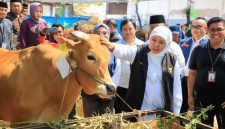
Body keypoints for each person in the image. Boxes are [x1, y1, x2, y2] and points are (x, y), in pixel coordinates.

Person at [101, 26, 182, 120]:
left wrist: (176, 114)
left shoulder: (171, 60)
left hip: (160, 113)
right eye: (154, 40)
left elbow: (176, 89)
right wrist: (113, 46)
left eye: (161, 42)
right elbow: (125, 50)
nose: (156, 44)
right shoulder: (138, 51)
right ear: (149, 38)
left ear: (167, 44)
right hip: (137, 110)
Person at [188, 17, 225, 129]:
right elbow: (192, 74)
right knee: (201, 127)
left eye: (219, 29)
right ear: (207, 31)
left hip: (223, 100)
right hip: (201, 100)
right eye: (212, 30)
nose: (216, 33)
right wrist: (190, 96)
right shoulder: (199, 50)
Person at [81, 24, 119, 117]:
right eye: (98, 33)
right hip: (90, 92)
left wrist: (111, 88)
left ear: (109, 34)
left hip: (108, 91)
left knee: (107, 121)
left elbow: (117, 72)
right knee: (90, 120)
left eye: (105, 33)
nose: (101, 35)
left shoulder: (114, 50)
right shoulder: (87, 51)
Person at [113, 19, 144, 113]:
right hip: (121, 86)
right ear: (121, 31)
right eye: (125, 29)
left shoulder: (143, 46)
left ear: (135, 29)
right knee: (119, 113)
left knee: (135, 114)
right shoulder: (115, 46)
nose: (128, 32)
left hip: (138, 87)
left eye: (130, 29)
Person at [179, 17, 208, 113]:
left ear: (206, 29)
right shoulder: (183, 43)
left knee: (199, 111)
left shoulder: (209, 44)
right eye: (193, 27)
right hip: (183, 81)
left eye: (199, 26)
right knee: (181, 110)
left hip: (199, 82)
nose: (195, 29)